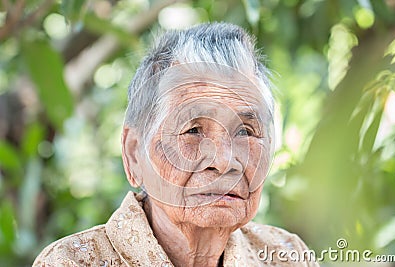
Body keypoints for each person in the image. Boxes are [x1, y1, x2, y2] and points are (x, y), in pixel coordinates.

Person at [33, 22, 319, 267]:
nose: (223, 161)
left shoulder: (286, 255)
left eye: (245, 131)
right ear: (134, 154)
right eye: (193, 130)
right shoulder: (70, 262)